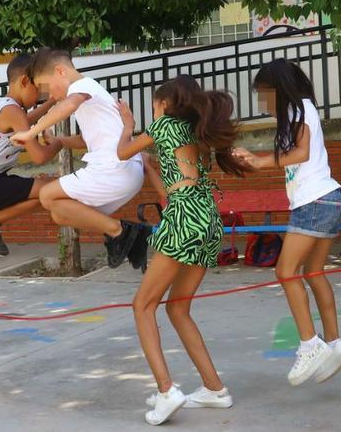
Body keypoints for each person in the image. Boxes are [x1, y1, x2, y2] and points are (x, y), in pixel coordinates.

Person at [116, 75, 247, 425]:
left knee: (143, 306)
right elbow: (175, 190)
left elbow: (120, 151)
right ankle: (214, 388)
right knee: (178, 308)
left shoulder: (163, 125)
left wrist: (128, 126)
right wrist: (150, 167)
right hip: (206, 218)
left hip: (184, 220)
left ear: (163, 104)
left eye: (154, 106)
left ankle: (166, 390)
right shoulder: (196, 133)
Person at [232, 59, 341, 385]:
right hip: (330, 199)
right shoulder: (305, 109)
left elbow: (299, 153)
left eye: (264, 95)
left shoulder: (297, 108)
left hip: (314, 202)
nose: (263, 104)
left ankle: (309, 344)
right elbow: (300, 154)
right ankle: (334, 343)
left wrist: (259, 162)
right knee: (313, 273)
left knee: (285, 271)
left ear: (278, 90)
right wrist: (254, 157)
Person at [9, 48, 151, 269]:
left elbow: (70, 103)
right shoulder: (94, 94)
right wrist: (61, 140)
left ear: (60, 71)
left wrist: (30, 132)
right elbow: (87, 140)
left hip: (113, 171)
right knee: (59, 212)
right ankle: (123, 233)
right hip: (127, 173)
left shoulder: (80, 87)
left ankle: (121, 231)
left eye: (46, 88)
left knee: (46, 195)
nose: (51, 97)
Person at [0, 54, 66, 255]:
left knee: (48, 194)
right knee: (53, 189)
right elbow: (39, 157)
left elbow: (28, 120)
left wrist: (51, 103)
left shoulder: (6, 105)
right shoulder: (13, 112)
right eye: (40, 88)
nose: (41, 95)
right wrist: (58, 144)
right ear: (25, 81)